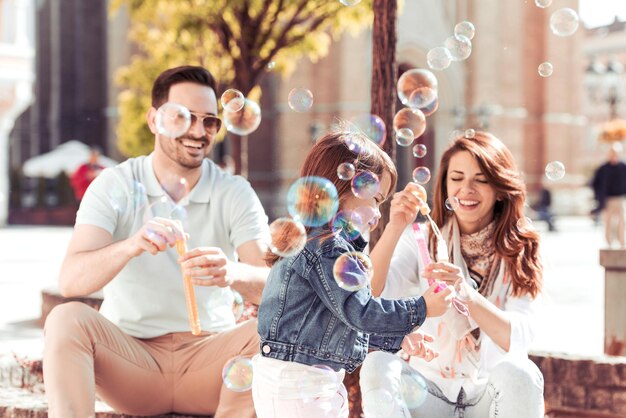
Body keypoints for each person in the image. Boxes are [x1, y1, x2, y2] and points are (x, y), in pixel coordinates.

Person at [43, 66, 270, 418]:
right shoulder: (114, 184)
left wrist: (232, 272)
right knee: (65, 319)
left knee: (277, 328)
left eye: (209, 121)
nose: (197, 131)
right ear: (153, 120)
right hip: (131, 362)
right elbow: (71, 281)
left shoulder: (234, 192)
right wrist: (131, 245)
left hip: (211, 363)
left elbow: (274, 290)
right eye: (182, 117)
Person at [252, 130, 453, 418]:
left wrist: (397, 339)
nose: (377, 214)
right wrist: (421, 308)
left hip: (302, 382)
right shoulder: (327, 248)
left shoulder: (314, 243)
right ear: (344, 186)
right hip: (300, 387)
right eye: (376, 200)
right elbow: (360, 311)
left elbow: (334, 325)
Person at [360, 131, 545, 417]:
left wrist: (468, 295)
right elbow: (370, 295)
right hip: (427, 392)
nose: (466, 190)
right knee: (377, 365)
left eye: (481, 180)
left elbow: (518, 338)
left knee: (523, 372)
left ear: (499, 189)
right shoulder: (424, 240)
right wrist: (394, 226)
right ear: (445, 187)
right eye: (456, 179)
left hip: (486, 396)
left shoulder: (521, 249)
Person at [590, 142, 626, 248]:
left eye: (615, 153)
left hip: (620, 199)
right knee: (608, 222)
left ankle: (622, 242)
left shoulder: (623, 166)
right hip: (607, 199)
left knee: (622, 221)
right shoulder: (603, 168)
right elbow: (594, 183)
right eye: (612, 153)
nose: (613, 155)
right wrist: (598, 196)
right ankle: (609, 243)